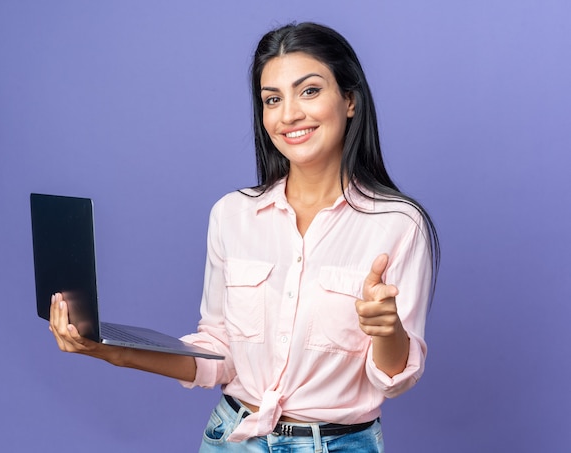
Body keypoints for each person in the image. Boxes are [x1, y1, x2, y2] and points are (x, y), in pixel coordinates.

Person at [49, 22, 440, 453]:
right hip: (232, 438)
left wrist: (387, 330)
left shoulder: (399, 224)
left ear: (349, 100)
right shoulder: (232, 215)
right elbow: (218, 354)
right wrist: (105, 349)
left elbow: (394, 378)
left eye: (309, 91)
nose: (288, 114)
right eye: (272, 99)